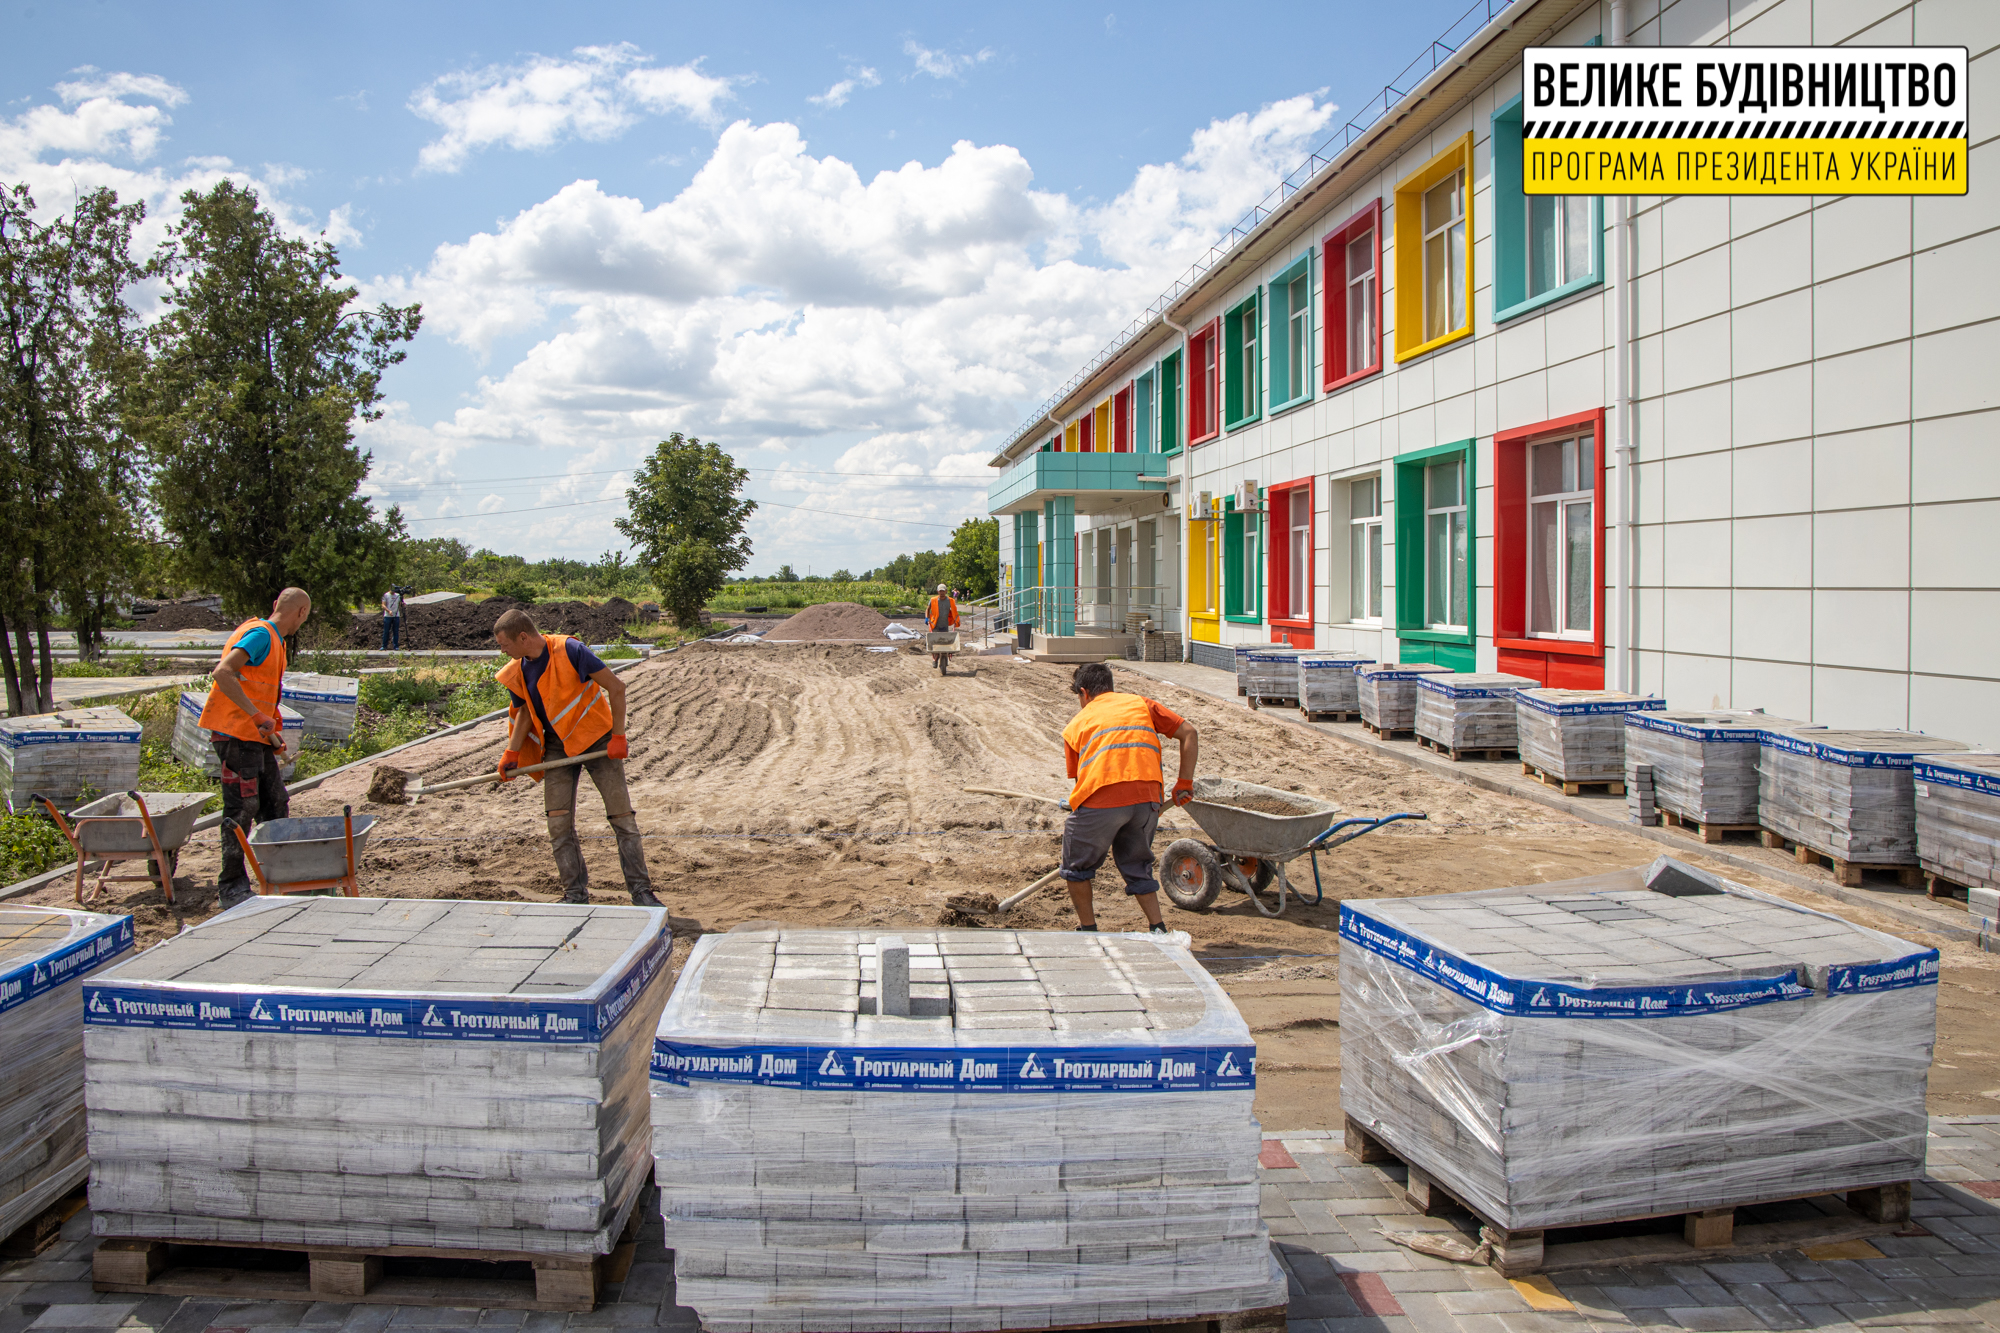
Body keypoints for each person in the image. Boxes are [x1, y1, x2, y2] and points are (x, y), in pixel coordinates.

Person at [493, 608, 660, 907]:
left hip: (597, 739)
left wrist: (618, 736)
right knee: (558, 824)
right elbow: (525, 713)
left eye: (504, 644)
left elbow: (616, 687)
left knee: (622, 819)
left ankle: (641, 892)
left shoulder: (570, 650)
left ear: (523, 637)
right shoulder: (518, 669)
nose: (502, 650)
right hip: (557, 746)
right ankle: (574, 895)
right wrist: (512, 752)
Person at [1058, 661, 1198, 933]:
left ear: (1084, 693)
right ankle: (1158, 928)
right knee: (1137, 864)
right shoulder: (1140, 704)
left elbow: (1080, 785)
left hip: (1101, 798)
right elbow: (1189, 732)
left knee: (1075, 867)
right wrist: (1184, 782)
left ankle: (1088, 930)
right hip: (1148, 799)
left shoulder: (1075, 725)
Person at [203, 587, 313, 909]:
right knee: (242, 808)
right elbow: (223, 672)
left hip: (253, 736)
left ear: (276, 604)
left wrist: (272, 734)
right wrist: (255, 716)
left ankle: (277, 876)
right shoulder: (261, 634)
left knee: (275, 802)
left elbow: (259, 693)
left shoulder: (275, 640)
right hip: (235, 735)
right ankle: (232, 887)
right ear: (302, 613)